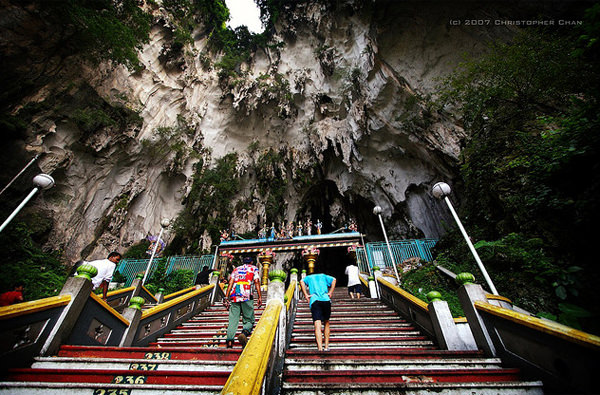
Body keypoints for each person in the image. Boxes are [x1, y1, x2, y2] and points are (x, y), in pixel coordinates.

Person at [223, 256, 262, 348]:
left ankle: (229, 340)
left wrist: (226, 297)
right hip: (246, 295)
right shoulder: (253, 269)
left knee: (233, 319)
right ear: (252, 262)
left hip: (234, 295)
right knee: (249, 319)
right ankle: (244, 333)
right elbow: (256, 281)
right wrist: (259, 297)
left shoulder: (236, 269)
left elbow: (231, 282)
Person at [300, 271, 336, 351]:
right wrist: (330, 292)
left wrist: (306, 295)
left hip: (315, 300)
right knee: (326, 322)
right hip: (326, 300)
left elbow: (301, 281)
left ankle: (320, 348)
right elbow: (334, 279)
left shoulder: (309, 277)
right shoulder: (323, 276)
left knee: (317, 324)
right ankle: (326, 347)